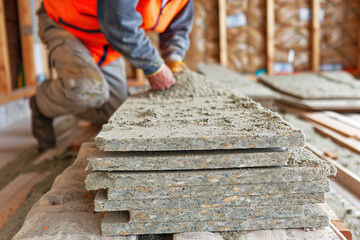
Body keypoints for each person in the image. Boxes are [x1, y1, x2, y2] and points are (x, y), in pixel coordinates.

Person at [30, 0, 194, 152]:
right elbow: (119, 23)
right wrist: (154, 67)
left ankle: (78, 96)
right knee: (87, 91)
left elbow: (177, 24)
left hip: (105, 37)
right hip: (68, 24)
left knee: (116, 115)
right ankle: (41, 102)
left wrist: (174, 58)